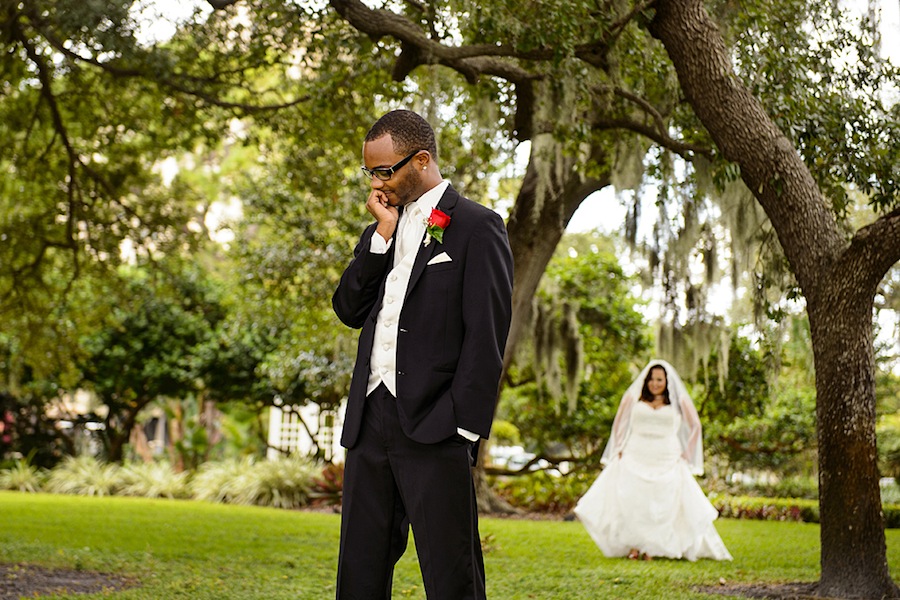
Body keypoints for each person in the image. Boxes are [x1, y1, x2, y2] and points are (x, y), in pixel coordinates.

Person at [332, 109, 514, 599]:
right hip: (370, 422)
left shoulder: (476, 227)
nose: (375, 182)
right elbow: (349, 309)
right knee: (359, 573)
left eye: (384, 171)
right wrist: (380, 239)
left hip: (436, 426)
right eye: (369, 171)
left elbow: (487, 337)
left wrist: (462, 427)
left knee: (451, 575)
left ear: (422, 160)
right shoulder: (381, 230)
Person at [574, 359, 732, 561]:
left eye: (659, 379)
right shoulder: (633, 399)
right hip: (636, 452)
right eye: (651, 379)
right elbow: (618, 425)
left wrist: (687, 453)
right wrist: (619, 446)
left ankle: (653, 547)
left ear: (667, 381)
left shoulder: (678, 401)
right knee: (633, 499)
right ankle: (633, 546)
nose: (655, 383)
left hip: (666, 455)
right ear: (645, 381)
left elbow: (696, 426)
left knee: (661, 502)